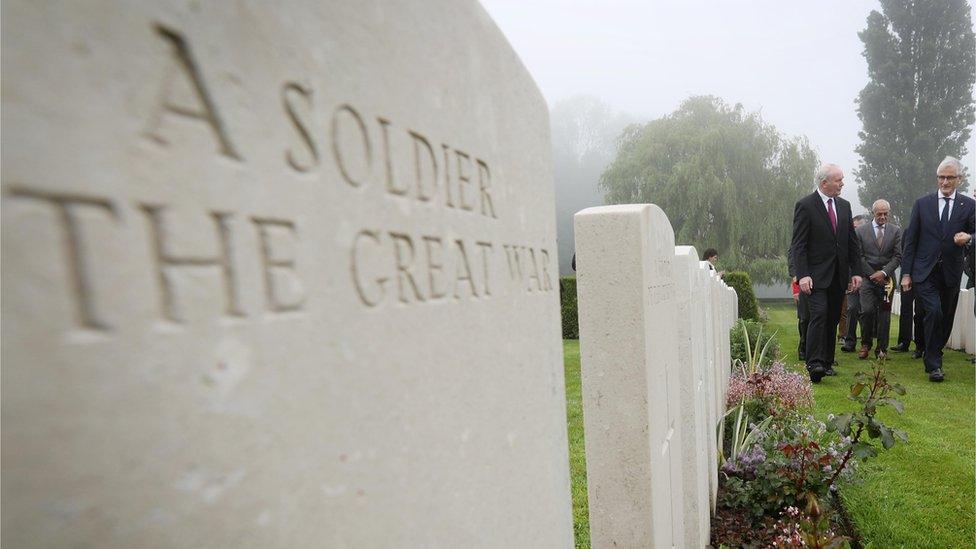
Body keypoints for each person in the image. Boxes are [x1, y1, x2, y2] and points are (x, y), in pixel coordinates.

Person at [900, 156, 976, 382]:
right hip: (924, 271)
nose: (944, 182)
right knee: (933, 311)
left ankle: (934, 350)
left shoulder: (969, 205)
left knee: (945, 318)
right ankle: (934, 364)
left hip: (951, 272)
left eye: (949, 178)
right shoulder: (922, 204)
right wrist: (906, 273)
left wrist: (969, 238)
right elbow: (911, 241)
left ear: (958, 179)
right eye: (941, 177)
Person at [789, 164, 863, 382]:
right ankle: (814, 363)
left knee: (832, 318)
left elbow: (851, 241)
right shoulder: (805, 205)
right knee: (819, 315)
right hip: (814, 276)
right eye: (838, 180)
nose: (842, 183)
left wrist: (856, 272)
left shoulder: (844, 205)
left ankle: (828, 361)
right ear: (824, 183)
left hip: (838, 275)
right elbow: (799, 245)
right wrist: (802, 274)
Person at [855, 200, 902, 359]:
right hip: (867, 279)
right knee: (866, 311)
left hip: (887, 281)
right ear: (872, 212)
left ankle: (882, 349)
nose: (882, 217)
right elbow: (858, 257)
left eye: (885, 214)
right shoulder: (861, 231)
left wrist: (883, 272)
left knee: (884, 315)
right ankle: (865, 344)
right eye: (879, 214)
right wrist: (872, 274)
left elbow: (897, 256)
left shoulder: (895, 231)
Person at [841, 214, 871, 352]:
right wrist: (848, 281)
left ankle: (866, 343)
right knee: (852, 308)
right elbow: (846, 263)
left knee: (866, 311)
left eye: (857, 227)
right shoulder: (847, 242)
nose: (855, 230)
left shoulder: (871, 240)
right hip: (852, 280)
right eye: (853, 227)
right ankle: (850, 341)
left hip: (868, 280)